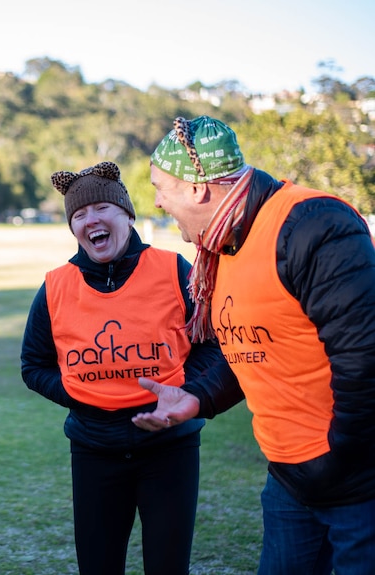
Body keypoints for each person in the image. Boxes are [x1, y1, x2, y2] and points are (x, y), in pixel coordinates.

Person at [134, 115, 375, 574]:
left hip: (356, 480)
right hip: (289, 478)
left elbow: (364, 357)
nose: (158, 202)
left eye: (160, 188)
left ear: (197, 189)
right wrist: (197, 396)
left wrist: (341, 458)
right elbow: (252, 344)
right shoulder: (223, 245)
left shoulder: (312, 224)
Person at [20, 161, 237, 575]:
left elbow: (212, 343)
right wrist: (80, 392)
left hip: (169, 448)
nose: (91, 220)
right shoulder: (55, 285)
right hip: (93, 449)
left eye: (101, 208)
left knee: (167, 566)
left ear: (126, 214)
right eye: (79, 215)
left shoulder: (173, 269)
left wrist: (184, 393)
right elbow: (33, 364)